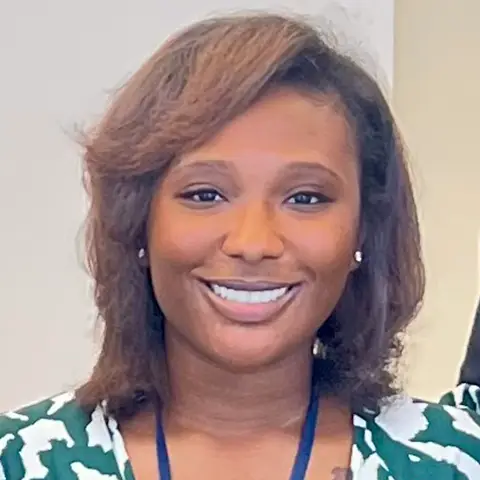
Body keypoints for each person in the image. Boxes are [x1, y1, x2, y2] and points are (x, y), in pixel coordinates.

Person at [1, 13, 479, 480]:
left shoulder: (456, 460)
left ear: (364, 231)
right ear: (137, 222)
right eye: (205, 195)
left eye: (305, 198)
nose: (253, 243)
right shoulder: (19, 461)